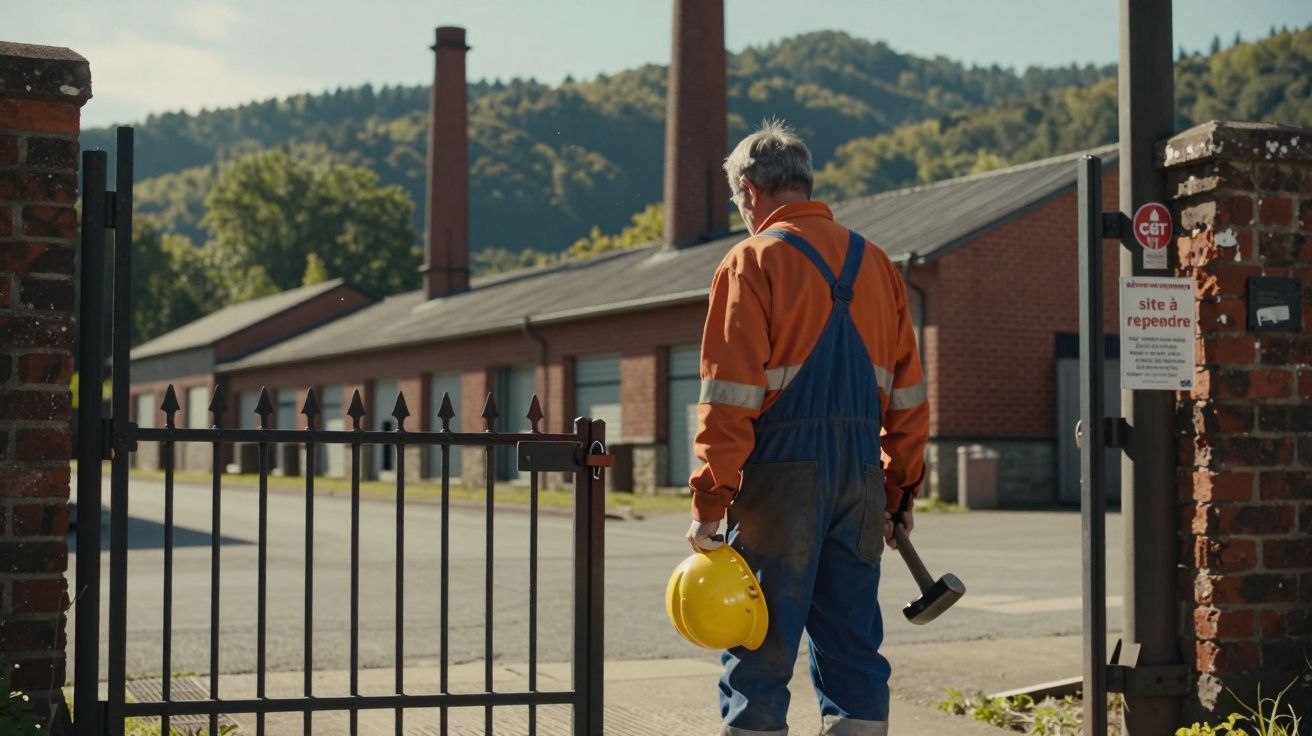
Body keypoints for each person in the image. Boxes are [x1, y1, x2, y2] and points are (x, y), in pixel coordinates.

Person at [685, 120, 929, 735]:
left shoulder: (750, 261)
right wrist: (898, 494)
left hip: (779, 484)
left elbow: (728, 398)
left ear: (748, 191)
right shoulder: (878, 265)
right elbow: (908, 401)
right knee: (853, 649)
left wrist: (711, 500)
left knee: (759, 649)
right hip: (861, 482)